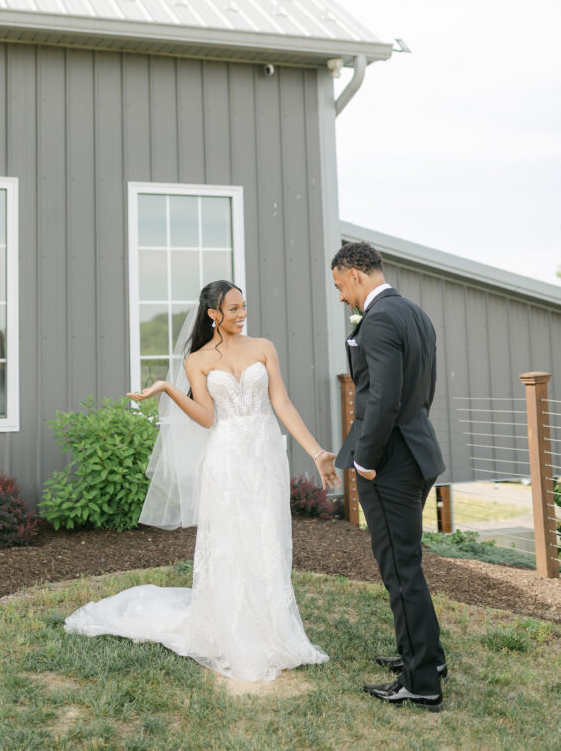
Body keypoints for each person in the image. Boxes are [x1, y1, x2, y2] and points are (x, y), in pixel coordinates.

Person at [65, 279, 340, 682]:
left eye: (244, 306)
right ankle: (232, 631)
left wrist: (317, 452)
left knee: (267, 539)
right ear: (214, 314)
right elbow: (208, 418)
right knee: (230, 544)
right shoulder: (197, 360)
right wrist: (166, 389)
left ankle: (275, 629)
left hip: (264, 456)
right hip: (226, 459)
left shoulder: (264, 347)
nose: (242, 314)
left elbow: (281, 403)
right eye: (233, 309)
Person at [331, 242, 447, 712]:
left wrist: (366, 459)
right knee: (407, 564)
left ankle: (421, 683)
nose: (341, 297)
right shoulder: (416, 314)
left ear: (357, 275)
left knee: (400, 570)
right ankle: (426, 658)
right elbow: (424, 389)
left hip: (390, 464)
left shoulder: (378, 320)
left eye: (340, 286)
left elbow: (381, 399)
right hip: (418, 452)